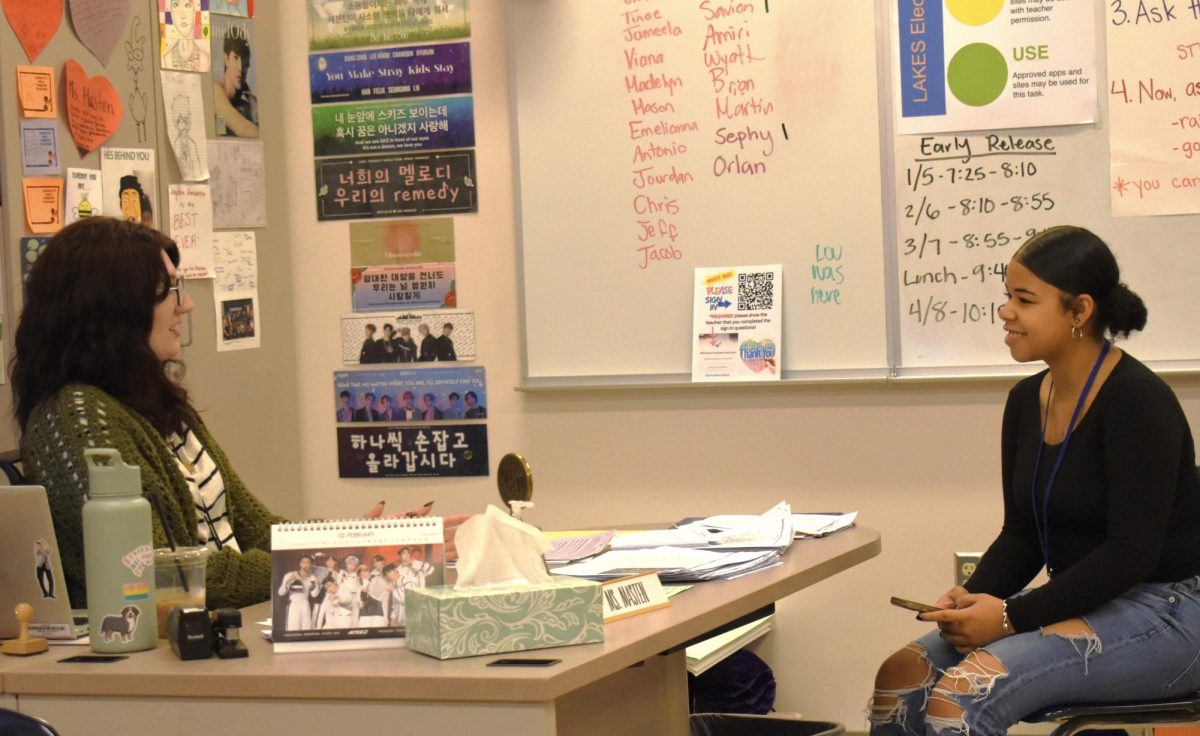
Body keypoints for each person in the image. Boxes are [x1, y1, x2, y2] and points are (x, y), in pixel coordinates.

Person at [12, 217, 468, 611]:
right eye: (169, 291)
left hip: (235, 623)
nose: (185, 304)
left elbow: (254, 528)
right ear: (115, 309)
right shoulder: (76, 420)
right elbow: (160, 575)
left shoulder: (153, 401)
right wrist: (337, 558)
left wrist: (362, 541)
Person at [869, 226, 1200, 736]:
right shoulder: (1026, 401)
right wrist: (971, 598)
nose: (1005, 311)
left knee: (964, 694)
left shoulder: (1138, 401)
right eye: (1007, 296)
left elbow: (1129, 554)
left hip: (1168, 612)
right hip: (1083, 598)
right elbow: (1024, 534)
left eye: (1024, 299)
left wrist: (1008, 617)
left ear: (1080, 311)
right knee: (902, 674)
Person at [213, 31, 258, 137]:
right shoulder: (215, 90)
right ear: (226, 59)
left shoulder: (244, 104)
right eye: (236, 58)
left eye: (245, 63)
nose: (240, 68)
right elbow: (244, 129)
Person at [277, 555, 319, 632]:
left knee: (306, 629)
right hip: (293, 605)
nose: (306, 565)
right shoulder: (290, 575)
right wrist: (287, 583)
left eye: (308, 562)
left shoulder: (312, 577)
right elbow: (281, 593)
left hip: (305, 605)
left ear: (311, 565)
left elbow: (314, 595)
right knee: (293, 629)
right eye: (303, 562)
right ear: (300, 564)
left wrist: (315, 585)